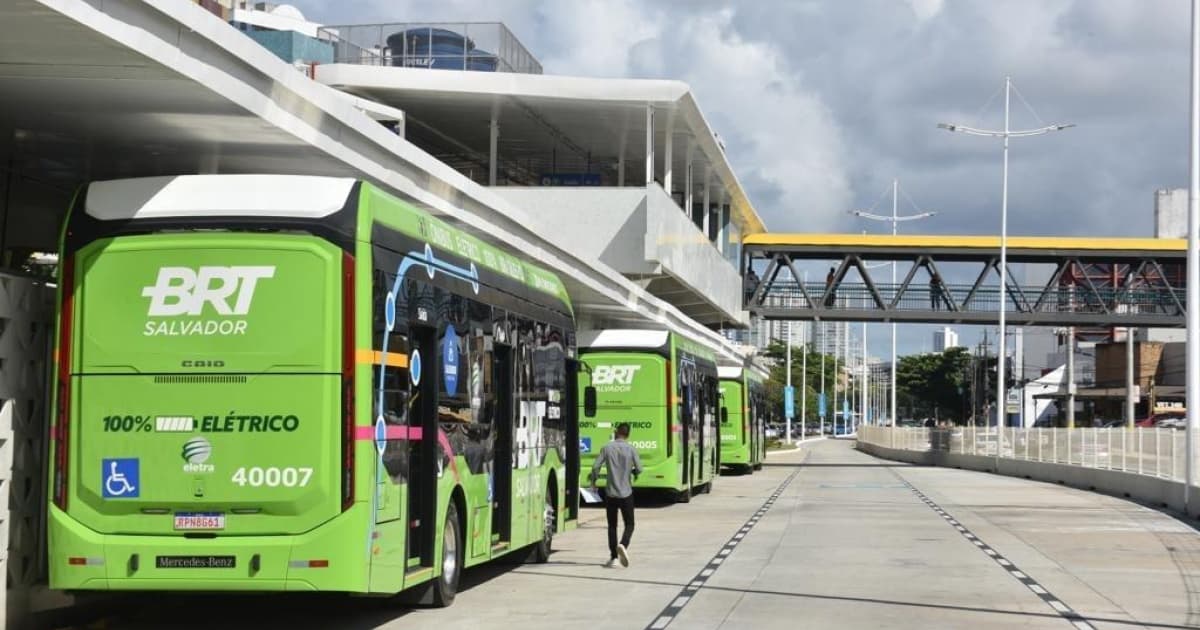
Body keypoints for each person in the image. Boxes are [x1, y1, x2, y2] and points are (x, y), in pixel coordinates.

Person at [589, 422, 643, 568]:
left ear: (616, 432)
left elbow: (595, 467)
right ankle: (623, 544)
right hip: (626, 493)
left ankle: (613, 558)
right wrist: (633, 473)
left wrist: (594, 481)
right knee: (630, 524)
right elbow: (639, 468)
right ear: (628, 434)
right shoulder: (631, 449)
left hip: (611, 493)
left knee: (612, 526)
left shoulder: (607, 448)